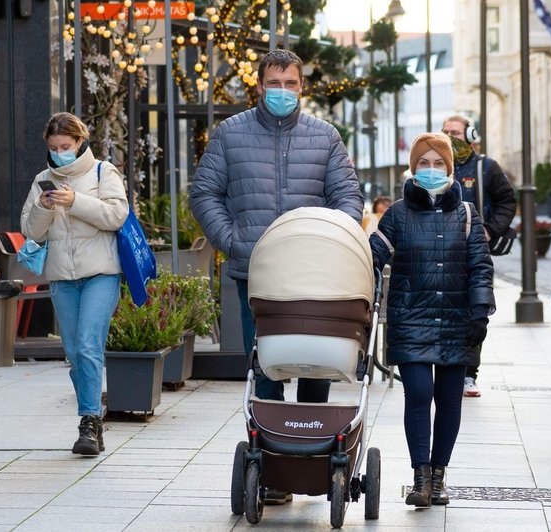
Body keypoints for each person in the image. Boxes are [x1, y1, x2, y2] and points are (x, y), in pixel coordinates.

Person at [189, 49, 363, 503]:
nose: (281, 91)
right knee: (265, 367)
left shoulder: (324, 137)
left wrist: (331, 239)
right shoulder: (230, 134)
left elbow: (347, 196)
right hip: (257, 274)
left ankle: (308, 457)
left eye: (290, 83)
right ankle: (271, 467)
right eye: (273, 83)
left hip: (315, 273)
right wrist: (234, 241)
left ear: (301, 86)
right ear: (260, 85)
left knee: (317, 363)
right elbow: (205, 191)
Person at [369, 132, 495, 508]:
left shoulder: (468, 214)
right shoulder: (397, 214)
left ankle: (439, 476)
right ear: (413, 168)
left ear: (450, 168)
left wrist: (480, 311)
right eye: (423, 163)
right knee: (420, 393)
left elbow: (480, 268)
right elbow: (372, 258)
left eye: (438, 163)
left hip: (456, 320)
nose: (430, 169)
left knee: (450, 400)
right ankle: (420, 477)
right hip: (411, 318)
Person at [21, 112, 128, 456]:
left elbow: (116, 215)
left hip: (100, 273)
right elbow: (31, 231)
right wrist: (44, 206)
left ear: (80, 142)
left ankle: (88, 423)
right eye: (54, 148)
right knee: (75, 354)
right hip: (62, 279)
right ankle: (93, 412)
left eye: (65, 146)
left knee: (87, 346)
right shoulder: (43, 179)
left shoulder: (103, 172)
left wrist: (76, 202)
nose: (60, 152)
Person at [442, 114, 516, 397]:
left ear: (471, 136)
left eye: (456, 133)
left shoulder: (486, 168)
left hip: (474, 253)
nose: (450, 137)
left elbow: (508, 200)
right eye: (445, 131)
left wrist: (489, 231)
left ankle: (468, 374)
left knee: (475, 309)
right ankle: (445, 365)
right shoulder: (436, 166)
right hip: (439, 250)